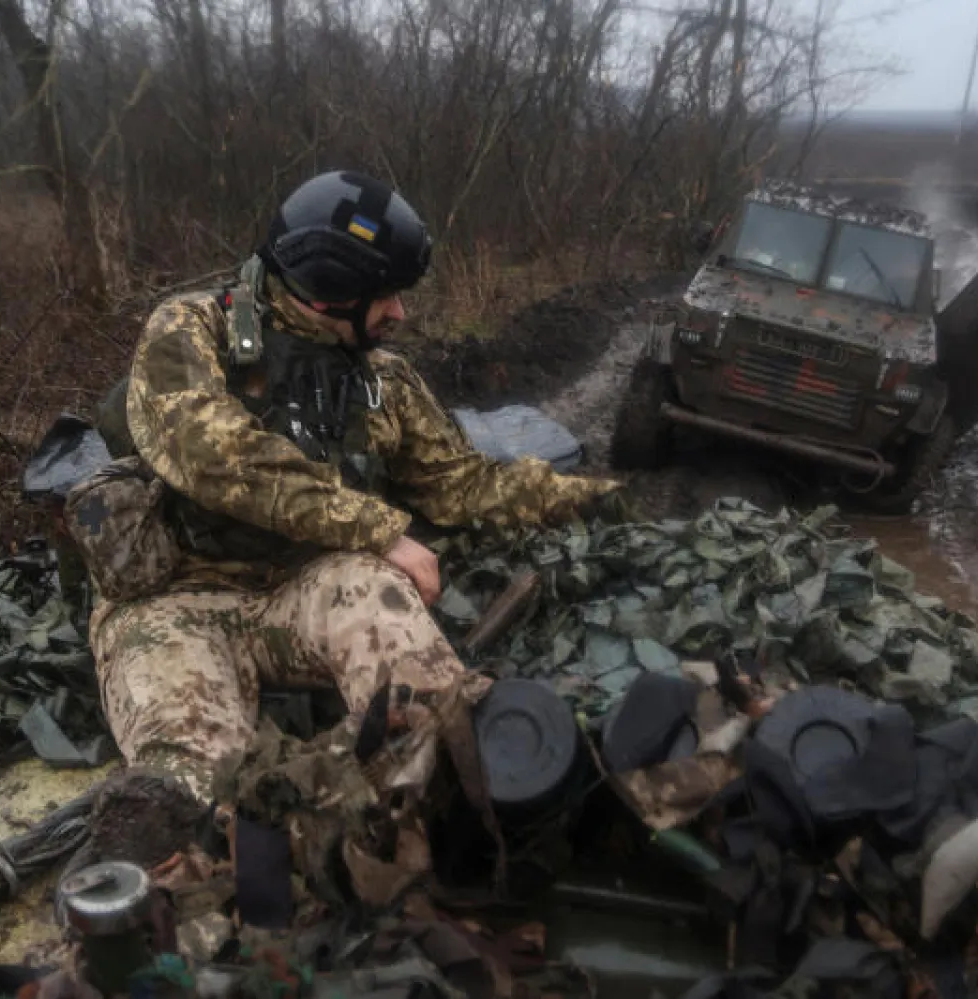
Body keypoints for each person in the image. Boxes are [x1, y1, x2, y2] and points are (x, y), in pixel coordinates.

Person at [67, 170, 620, 804]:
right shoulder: (191, 330)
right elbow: (218, 456)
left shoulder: (386, 381)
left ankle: (442, 793)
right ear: (329, 287)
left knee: (420, 688)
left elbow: (461, 485)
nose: (399, 313)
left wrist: (587, 496)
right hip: (175, 599)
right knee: (191, 792)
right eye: (384, 296)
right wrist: (380, 530)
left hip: (309, 587)